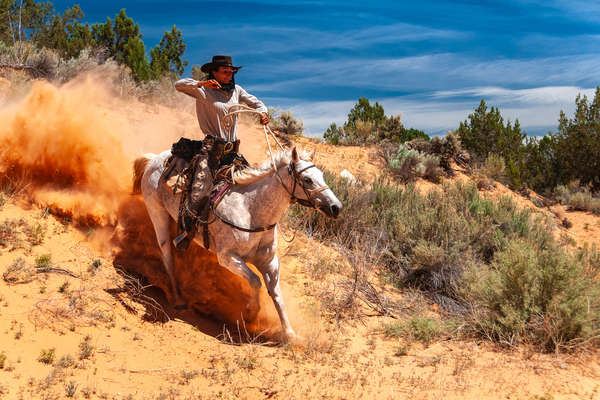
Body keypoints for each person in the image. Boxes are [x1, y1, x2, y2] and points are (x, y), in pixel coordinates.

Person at [172, 55, 269, 248]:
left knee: (254, 187)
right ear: (214, 72)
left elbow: (256, 103)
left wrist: (263, 113)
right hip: (210, 151)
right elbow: (179, 84)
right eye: (225, 72)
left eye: (231, 71)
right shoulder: (203, 91)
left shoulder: (236, 91)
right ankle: (187, 231)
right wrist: (201, 83)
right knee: (199, 191)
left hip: (232, 152)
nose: (229, 75)